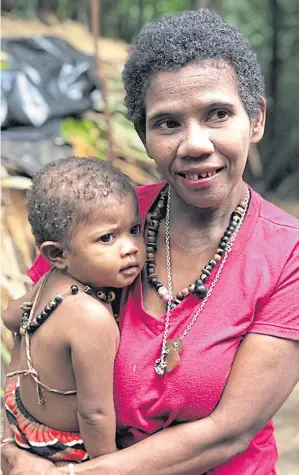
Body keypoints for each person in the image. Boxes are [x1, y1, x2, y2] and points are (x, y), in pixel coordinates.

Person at [2, 9, 299, 475]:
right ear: (144, 138)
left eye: (218, 114)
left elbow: (229, 431)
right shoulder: (100, 220)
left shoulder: (287, 255)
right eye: (167, 123)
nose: (195, 143)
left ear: (256, 118)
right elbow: (32, 337)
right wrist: (16, 444)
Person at [2, 157, 145, 467]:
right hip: (60, 445)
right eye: (107, 238)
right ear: (57, 254)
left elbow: (11, 316)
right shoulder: (91, 318)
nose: (130, 247)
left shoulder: (51, 282)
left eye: (134, 229)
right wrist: (108, 467)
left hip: (21, 414)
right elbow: (93, 414)